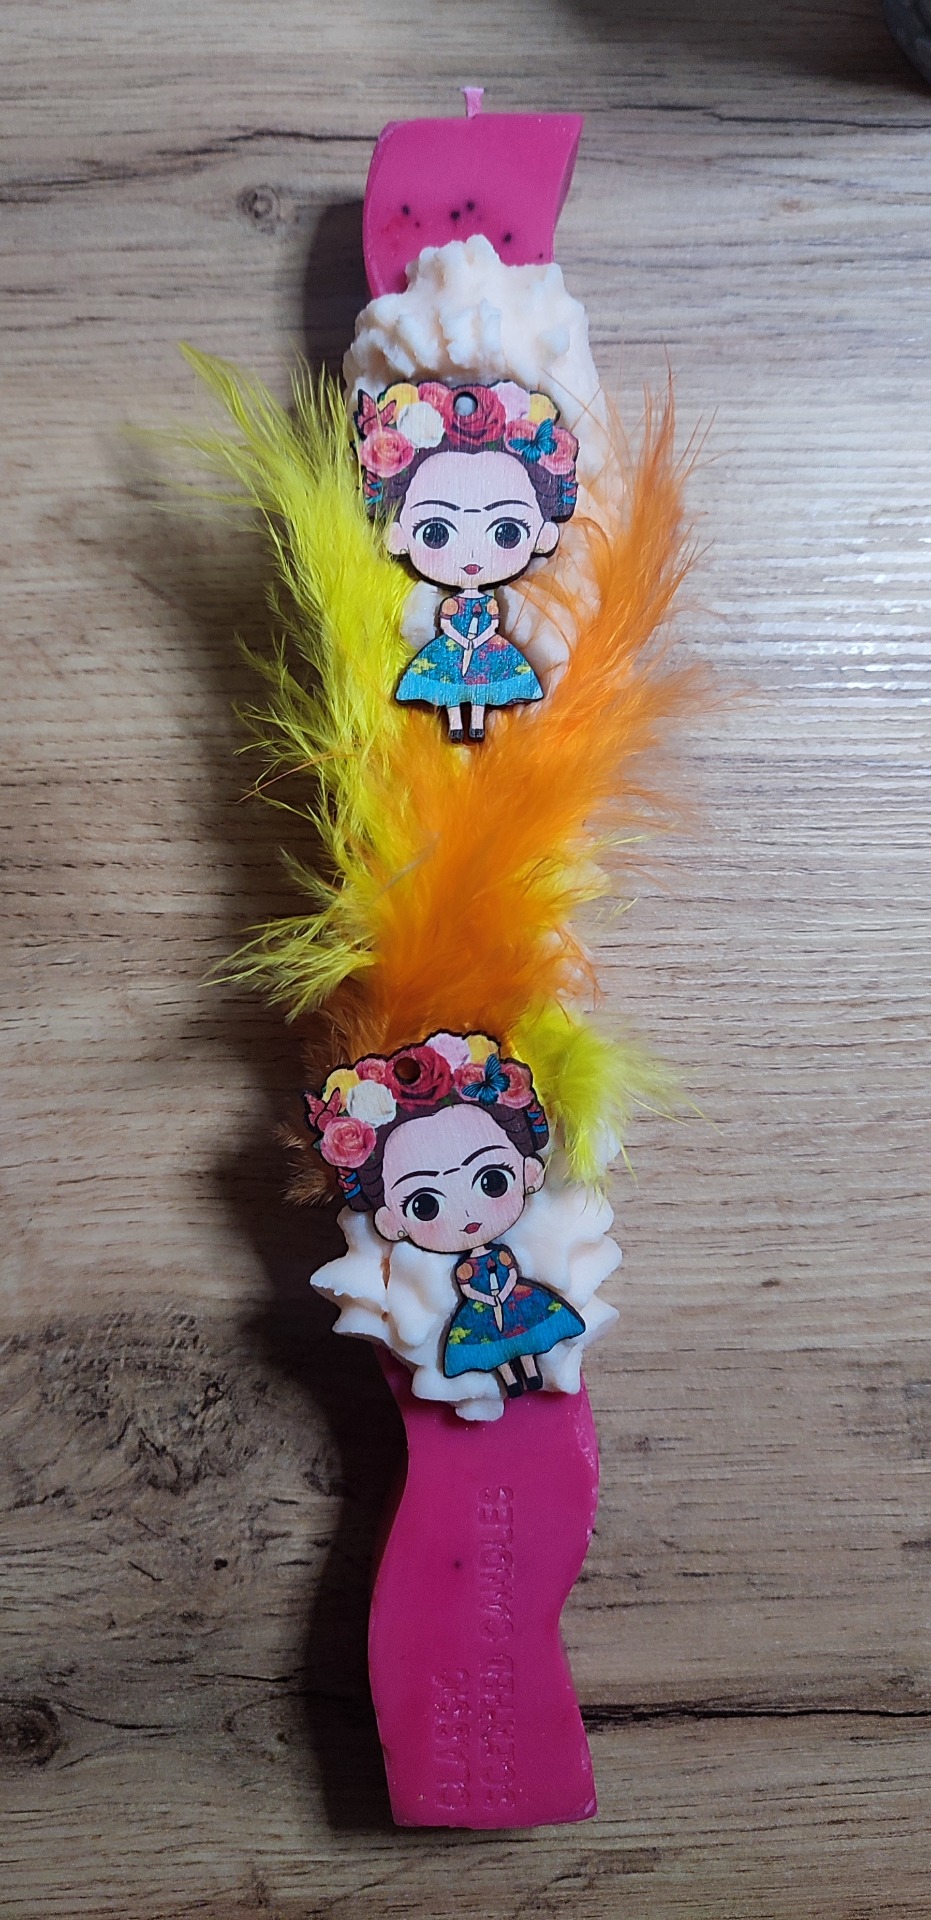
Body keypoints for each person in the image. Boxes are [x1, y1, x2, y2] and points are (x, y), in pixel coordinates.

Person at [305, 1030, 585, 1397]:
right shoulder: (458, 1269)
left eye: (493, 1181)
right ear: (390, 1220)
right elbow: (468, 1285)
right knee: (496, 1349)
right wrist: (486, 1298)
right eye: (425, 1205)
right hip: (479, 1311)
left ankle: (529, 1373)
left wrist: (501, 1291)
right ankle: (513, 1377)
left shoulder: (509, 1250)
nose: (467, 1213)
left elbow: (509, 1271)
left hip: (511, 1298)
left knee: (526, 1337)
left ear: (529, 1172)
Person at [354, 380, 579, 740]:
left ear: (544, 534)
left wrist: (479, 638)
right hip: (454, 645)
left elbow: (491, 622)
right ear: (397, 535)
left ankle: (474, 724)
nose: (473, 556)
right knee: (449, 691)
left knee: (480, 691)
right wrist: (462, 638)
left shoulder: (490, 604)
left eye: (506, 532)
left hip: (482, 646)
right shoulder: (447, 604)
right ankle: (457, 726)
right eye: (435, 533)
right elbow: (447, 621)